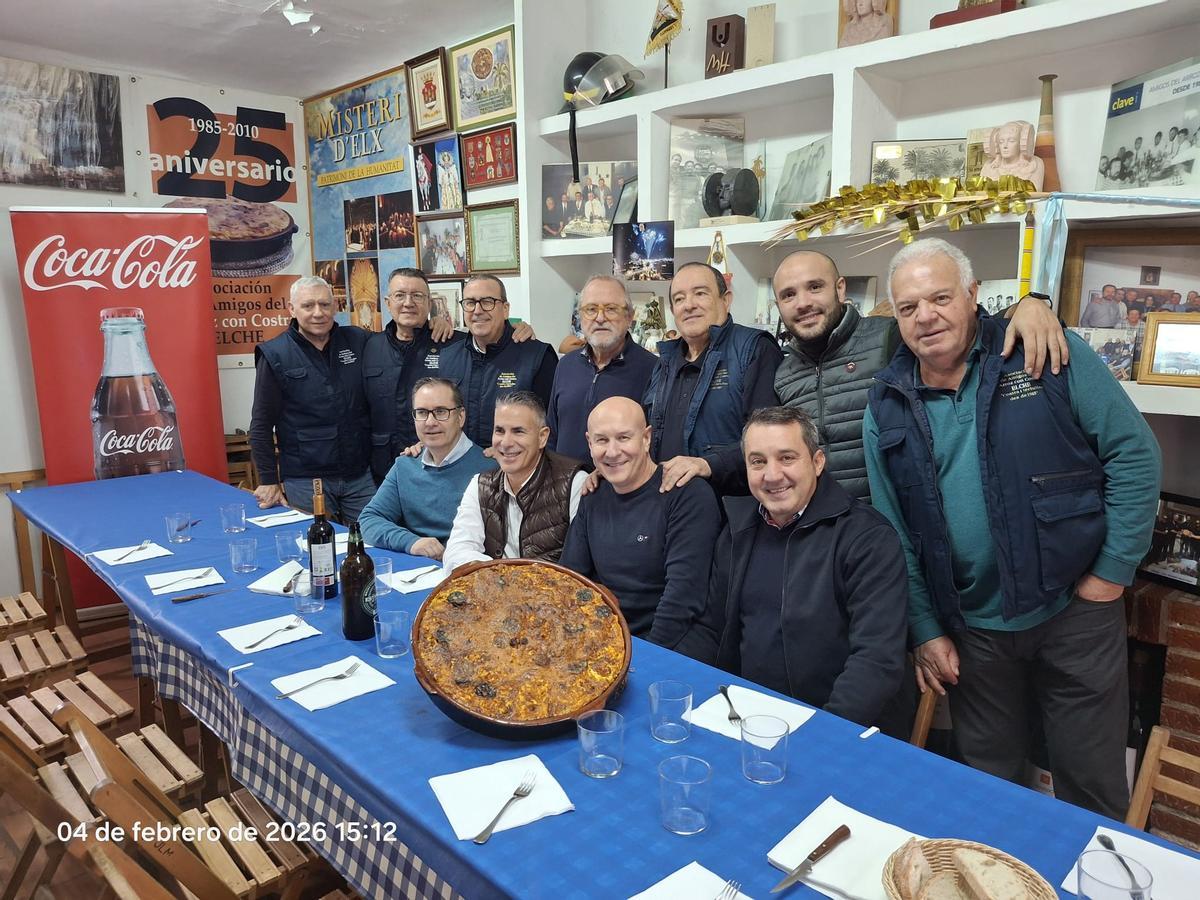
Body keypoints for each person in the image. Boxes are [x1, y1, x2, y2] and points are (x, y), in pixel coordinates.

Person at [863, 238, 1161, 819]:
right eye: (908, 307)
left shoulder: (1042, 351)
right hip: (973, 630)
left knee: (1092, 790)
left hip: (1074, 612)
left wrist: (1111, 574)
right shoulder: (887, 404)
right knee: (988, 789)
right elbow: (892, 528)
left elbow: (1135, 455)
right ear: (895, 318)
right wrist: (924, 627)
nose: (926, 316)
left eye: (941, 297)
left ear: (974, 295)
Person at [677, 407, 908, 728]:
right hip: (745, 715)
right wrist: (661, 674)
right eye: (758, 461)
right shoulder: (737, 531)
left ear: (818, 462)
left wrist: (824, 732)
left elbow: (876, 660)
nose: (772, 475)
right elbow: (711, 630)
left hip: (835, 728)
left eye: (787, 458)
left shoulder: (868, 539)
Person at [772, 249, 1067, 501]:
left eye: (814, 287)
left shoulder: (889, 337)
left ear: (839, 289)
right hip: (824, 533)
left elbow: (965, 326)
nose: (802, 303)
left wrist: (1029, 305)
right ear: (778, 306)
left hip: (898, 524)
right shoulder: (782, 375)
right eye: (788, 295)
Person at [560, 398, 720, 647]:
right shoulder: (593, 494)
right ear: (589, 444)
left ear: (646, 438)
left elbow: (683, 597)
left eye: (624, 438)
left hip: (670, 644)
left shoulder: (687, 494)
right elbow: (570, 579)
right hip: (603, 638)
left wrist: (644, 658)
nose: (612, 452)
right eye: (602, 440)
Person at [361, 268, 535, 480]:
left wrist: (518, 328)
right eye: (400, 295)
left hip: (444, 464)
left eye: (417, 296)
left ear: (429, 303)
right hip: (382, 465)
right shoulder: (368, 345)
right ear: (388, 303)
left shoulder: (452, 342)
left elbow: (489, 339)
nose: (408, 302)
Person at [643, 262, 783, 494]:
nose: (689, 305)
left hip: (729, 510)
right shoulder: (664, 362)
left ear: (725, 299)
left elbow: (769, 436)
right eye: (679, 299)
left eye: (700, 293)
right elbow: (644, 432)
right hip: (669, 507)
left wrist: (708, 463)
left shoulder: (753, 349)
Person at [250, 276, 374, 523]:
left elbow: (398, 341)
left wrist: (434, 324)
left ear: (335, 307)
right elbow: (260, 425)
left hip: (359, 476)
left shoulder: (358, 341)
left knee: (370, 543)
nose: (318, 313)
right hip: (307, 480)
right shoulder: (275, 353)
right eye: (308, 306)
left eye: (324, 304)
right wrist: (268, 480)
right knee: (319, 548)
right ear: (292, 309)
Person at [443, 392, 587, 571]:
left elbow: (580, 566)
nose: (506, 442)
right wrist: (502, 579)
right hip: (494, 590)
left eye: (518, 431)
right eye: (499, 431)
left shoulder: (574, 483)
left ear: (542, 437)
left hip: (554, 596)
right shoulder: (481, 484)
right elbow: (456, 551)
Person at [359, 378, 495, 559]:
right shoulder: (405, 465)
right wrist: (411, 542)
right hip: (413, 572)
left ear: (460, 417)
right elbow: (368, 520)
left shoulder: (490, 469)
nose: (430, 422)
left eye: (440, 412)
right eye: (422, 412)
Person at [547, 276, 658, 462]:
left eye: (611, 309)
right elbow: (552, 434)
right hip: (566, 486)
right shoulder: (566, 365)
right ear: (580, 317)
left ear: (629, 317)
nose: (600, 318)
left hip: (620, 487)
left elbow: (654, 444)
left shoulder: (653, 368)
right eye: (591, 309)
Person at [439, 275, 558, 448]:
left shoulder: (537, 356)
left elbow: (550, 427)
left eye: (487, 301)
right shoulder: (448, 357)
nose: (477, 310)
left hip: (514, 468)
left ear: (505, 309)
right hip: (458, 468)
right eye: (470, 303)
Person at [980, 121, 1045, 190]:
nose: (1005, 146)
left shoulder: (1035, 164)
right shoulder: (988, 167)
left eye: (1011, 141)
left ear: (1021, 143)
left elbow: (1035, 194)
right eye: (1001, 142)